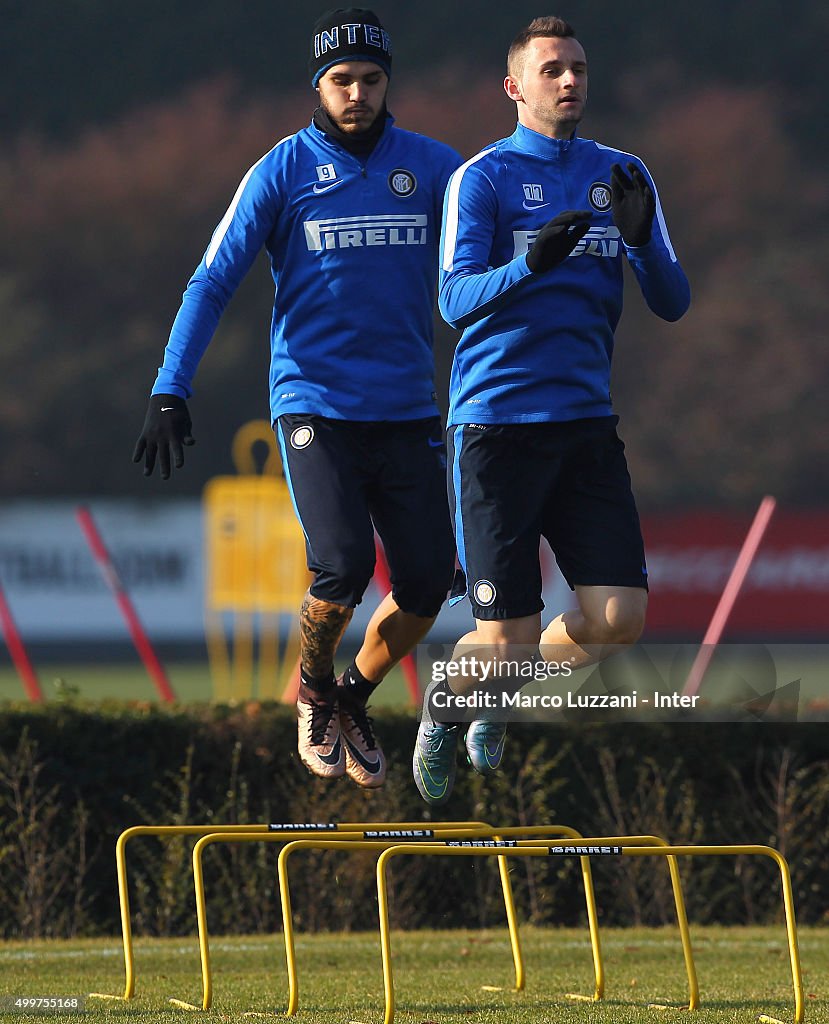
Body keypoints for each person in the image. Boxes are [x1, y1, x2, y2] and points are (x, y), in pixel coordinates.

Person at [133, 8, 460, 789]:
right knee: (342, 563)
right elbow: (212, 280)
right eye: (341, 80)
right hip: (313, 402)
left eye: (371, 80)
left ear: (388, 84)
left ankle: (352, 693)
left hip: (409, 407)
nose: (357, 94)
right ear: (316, 85)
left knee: (424, 583)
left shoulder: (439, 168)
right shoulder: (280, 171)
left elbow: (493, 258)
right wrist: (169, 387)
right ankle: (312, 688)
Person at [413, 15, 690, 805]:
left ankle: (490, 695)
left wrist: (638, 243)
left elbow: (672, 302)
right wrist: (528, 262)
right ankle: (452, 699)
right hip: (496, 427)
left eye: (576, 68)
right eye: (550, 70)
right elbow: (452, 299)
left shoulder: (623, 173)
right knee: (506, 642)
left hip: (585, 428)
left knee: (619, 622)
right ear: (514, 87)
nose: (568, 81)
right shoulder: (485, 178)